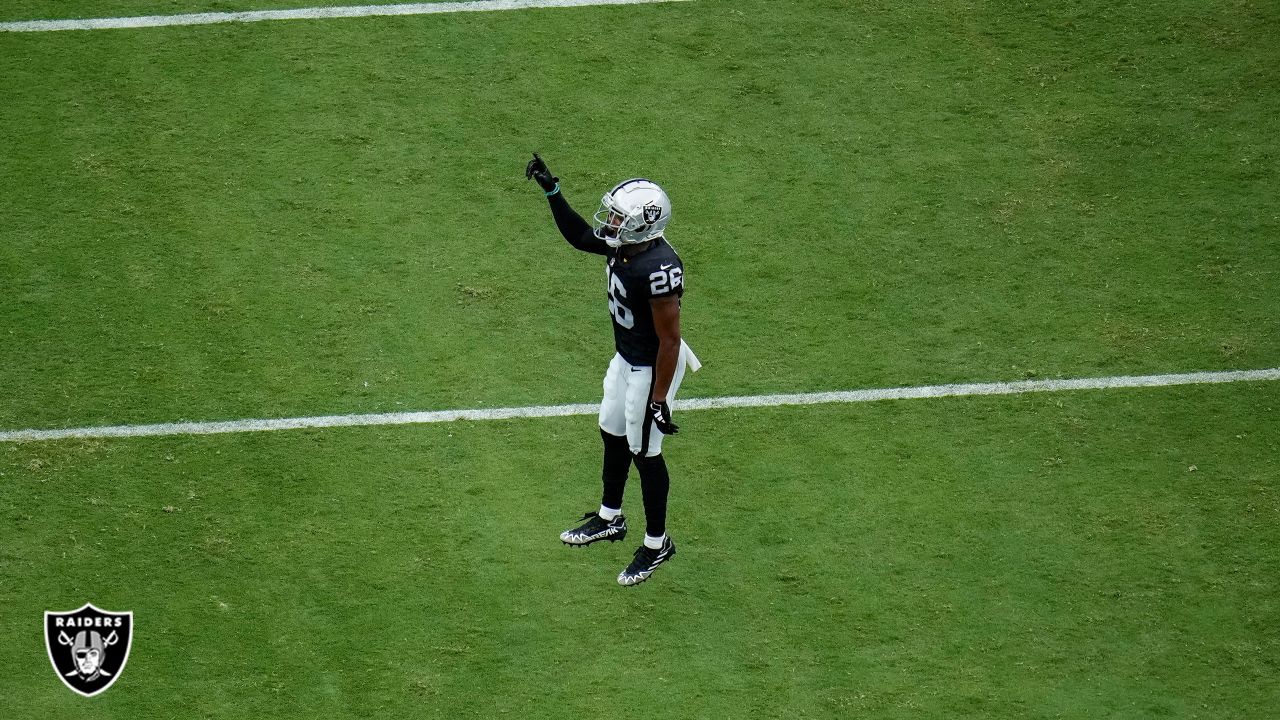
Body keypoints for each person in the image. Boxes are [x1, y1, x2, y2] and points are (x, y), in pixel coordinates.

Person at [526, 153, 700, 587]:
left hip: (652, 365)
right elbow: (582, 236)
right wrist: (553, 192)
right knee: (611, 428)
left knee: (646, 452)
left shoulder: (658, 269)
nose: (612, 223)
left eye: (622, 217)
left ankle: (658, 545)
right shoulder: (627, 246)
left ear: (645, 224)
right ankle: (609, 518)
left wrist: (659, 400)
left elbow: (670, 341)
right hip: (626, 356)